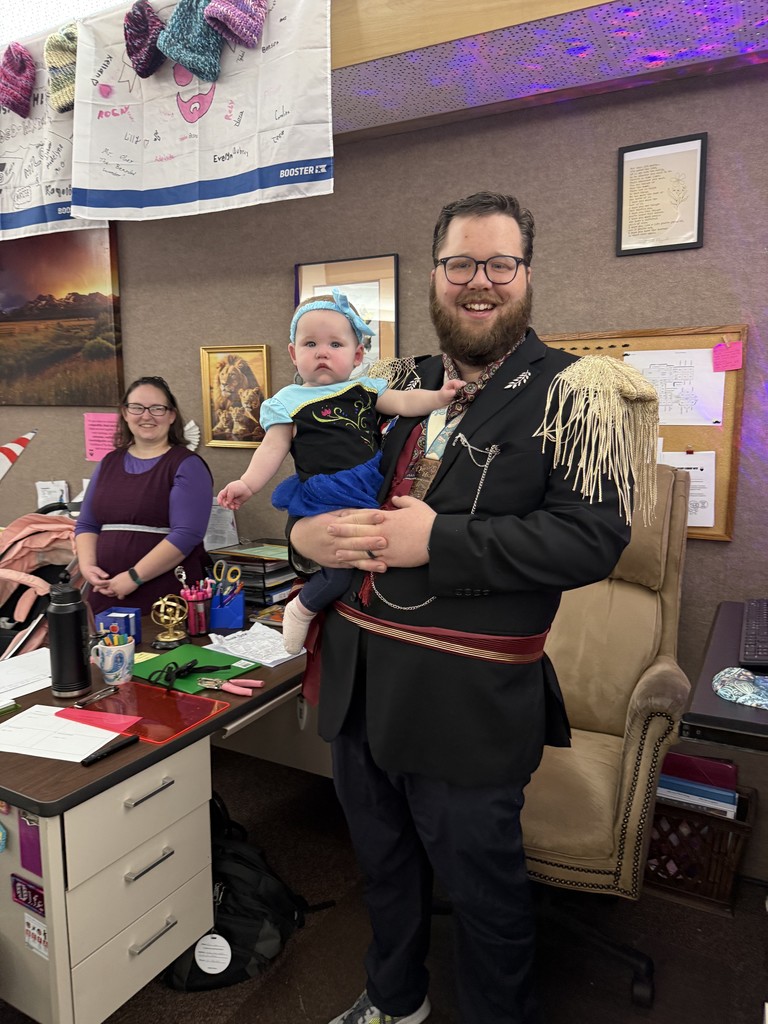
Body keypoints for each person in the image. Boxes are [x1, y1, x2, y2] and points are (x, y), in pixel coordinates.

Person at [288, 192, 656, 1024]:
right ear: (436, 275)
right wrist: (304, 537)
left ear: (526, 276)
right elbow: (322, 486)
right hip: (359, 681)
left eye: (500, 264)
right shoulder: (397, 384)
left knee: (484, 893)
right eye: (461, 264)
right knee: (381, 866)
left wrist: (440, 543)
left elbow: (592, 541)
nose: (478, 282)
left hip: (469, 697)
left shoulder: (578, 392)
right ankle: (396, 1001)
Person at [217, 289, 465, 655]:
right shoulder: (287, 401)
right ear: (293, 353)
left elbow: (406, 403)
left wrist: (440, 397)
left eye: (335, 343)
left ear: (357, 355)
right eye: (311, 343)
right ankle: (301, 608)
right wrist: (246, 483)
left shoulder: (365, 389)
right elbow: (271, 449)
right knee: (340, 564)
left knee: (371, 549)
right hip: (324, 492)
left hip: (368, 486)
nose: (322, 352)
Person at [75, 375, 213, 616]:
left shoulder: (187, 465)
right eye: (137, 407)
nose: (146, 416)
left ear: (171, 416)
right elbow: (87, 523)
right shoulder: (109, 462)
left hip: (165, 597)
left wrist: (134, 577)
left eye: (157, 409)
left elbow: (186, 534)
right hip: (105, 593)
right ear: (125, 413)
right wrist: (87, 568)